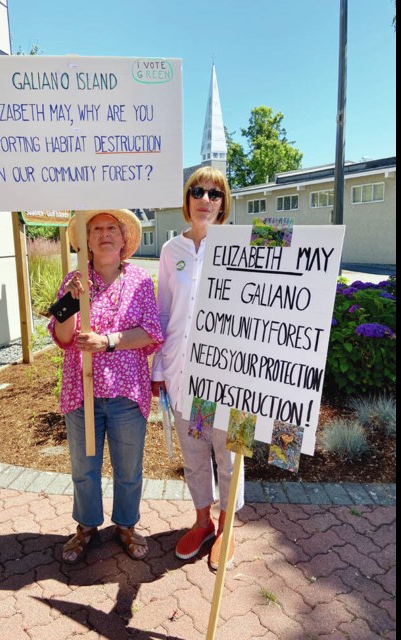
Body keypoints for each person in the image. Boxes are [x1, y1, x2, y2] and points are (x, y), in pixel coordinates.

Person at [49, 209, 164, 564]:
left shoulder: (141, 282)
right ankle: (86, 527)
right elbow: (63, 337)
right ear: (86, 239)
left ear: (123, 237)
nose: (104, 234)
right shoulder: (74, 278)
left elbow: (150, 333)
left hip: (126, 392)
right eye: (96, 228)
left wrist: (108, 341)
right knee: (84, 468)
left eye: (111, 228)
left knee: (128, 468)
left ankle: (126, 526)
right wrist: (69, 302)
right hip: (80, 392)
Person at [151, 167, 245, 570]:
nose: (205, 199)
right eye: (197, 191)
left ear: (224, 203)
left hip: (229, 378)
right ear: (187, 199)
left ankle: (227, 527)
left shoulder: (246, 246)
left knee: (229, 453)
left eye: (215, 193)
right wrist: (158, 368)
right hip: (185, 375)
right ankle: (203, 521)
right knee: (194, 453)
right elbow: (164, 311)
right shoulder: (172, 250)